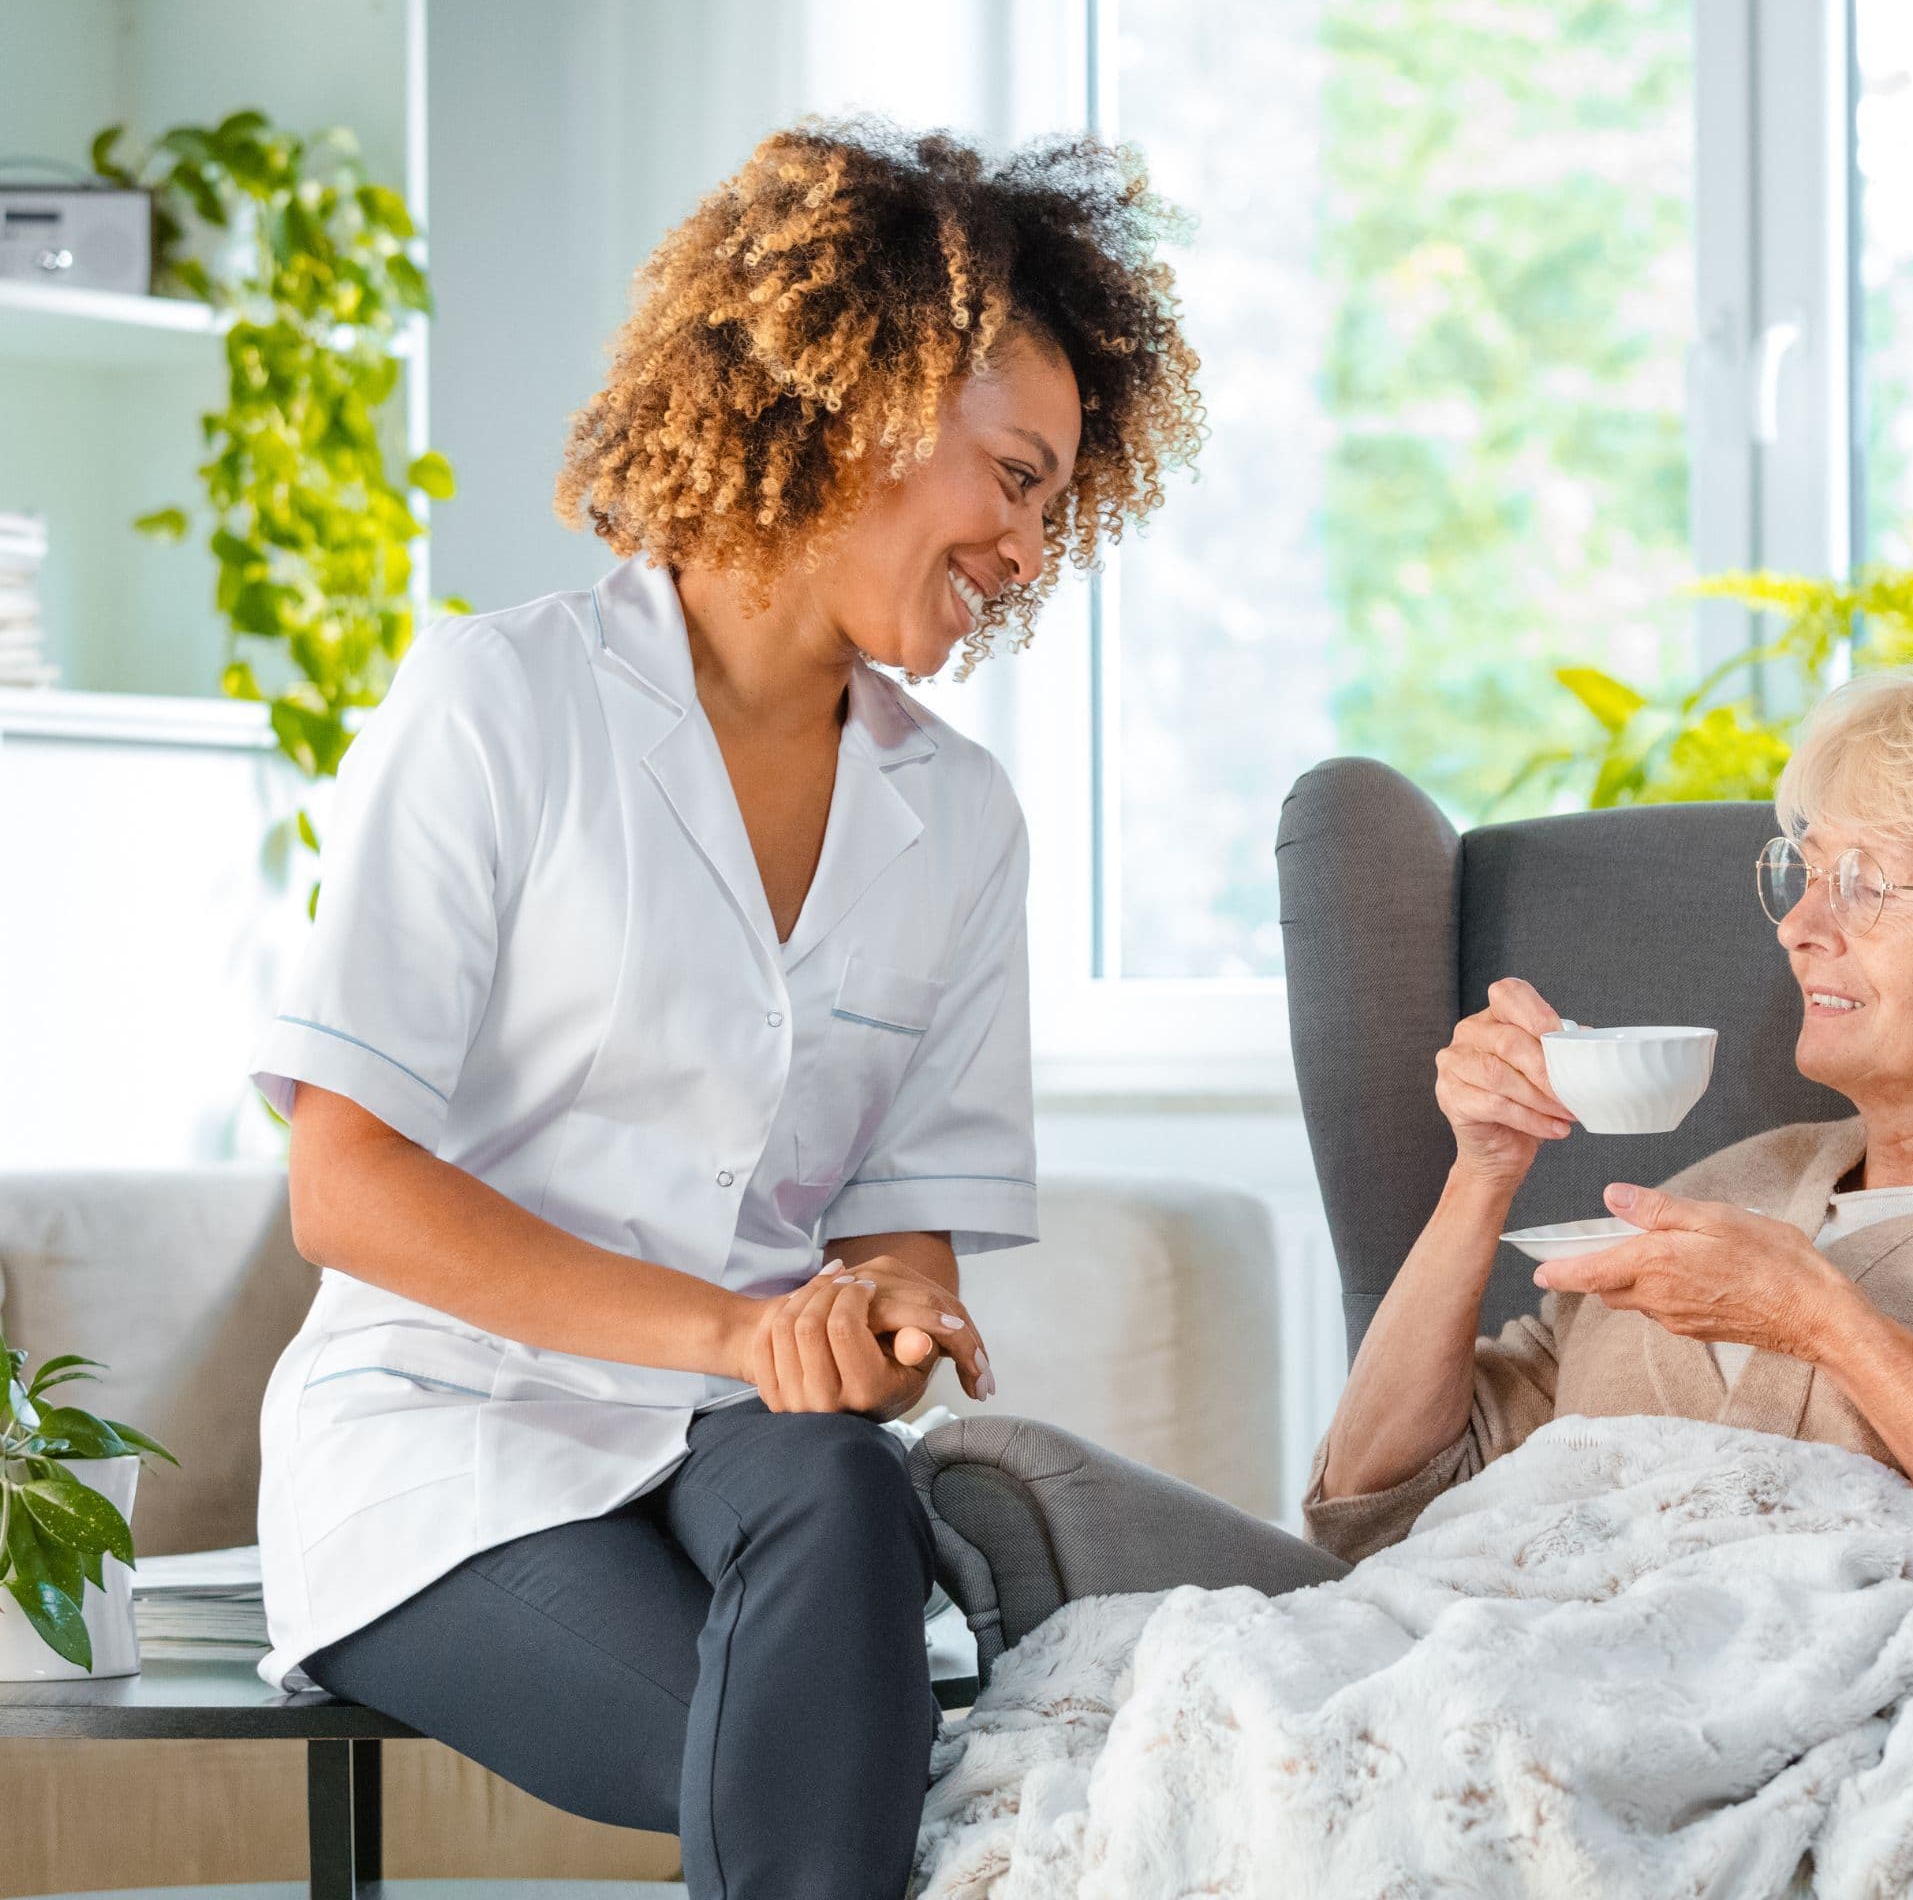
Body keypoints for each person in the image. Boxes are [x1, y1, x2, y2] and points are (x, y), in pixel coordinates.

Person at [250, 117, 1201, 1900]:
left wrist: (892, 1314)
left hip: (749, 1451)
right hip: (448, 1435)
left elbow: (906, 1227)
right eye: (1011, 473)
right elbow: (347, 1185)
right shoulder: (500, 701)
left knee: (847, 1495)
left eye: (1060, 499)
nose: (1029, 540)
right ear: (861, 396)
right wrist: (739, 1334)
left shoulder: (962, 818)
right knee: (818, 1747)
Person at [1308, 664, 1913, 1562]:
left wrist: (1823, 1323)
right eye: (1803, 873)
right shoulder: (1729, 1188)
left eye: (1864, 884)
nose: (1797, 927)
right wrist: (1480, 1173)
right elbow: (1376, 1506)